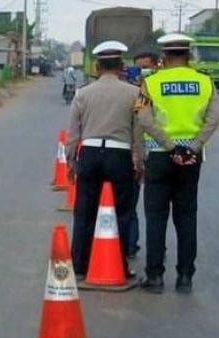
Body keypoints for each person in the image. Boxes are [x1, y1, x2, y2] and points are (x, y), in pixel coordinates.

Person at [136, 33, 219, 294]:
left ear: (164, 56)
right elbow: (214, 119)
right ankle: (185, 276)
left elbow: (144, 118)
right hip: (191, 159)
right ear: (189, 55)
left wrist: (169, 146)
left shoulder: (150, 82)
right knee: (186, 217)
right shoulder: (205, 83)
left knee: (156, 217)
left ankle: (155, 277)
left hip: (159, 156)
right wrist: (191, 148)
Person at [65, 41, 142, 279]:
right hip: (119, 156)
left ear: (97, 67)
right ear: (121, 67)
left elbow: (73, 132)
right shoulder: (135, 93)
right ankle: (118, 263)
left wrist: (70, 161)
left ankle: (79, 263)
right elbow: (138, 131)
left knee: (85, 210)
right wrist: (138, 161)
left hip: (89, 154)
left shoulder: (82, 93)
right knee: (122, 212)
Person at [122, 51, 158, 260]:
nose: (142, 72)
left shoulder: (156, 87)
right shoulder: (133, 93)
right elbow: (135, 123)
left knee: (156, 210)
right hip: (137, 153)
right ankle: (130, 244)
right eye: (138, 68)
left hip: (158, 153)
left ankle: (156, 253)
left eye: (146, 67)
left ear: (155, 67)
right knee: (130, 202)